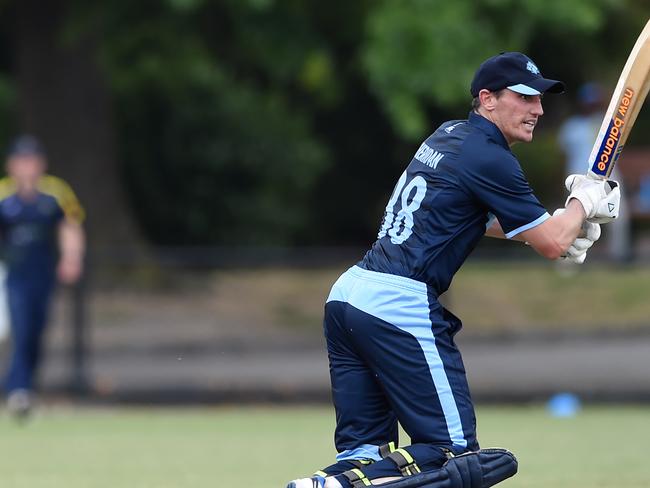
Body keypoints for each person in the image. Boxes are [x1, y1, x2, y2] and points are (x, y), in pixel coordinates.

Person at [287, 52, 620, 488]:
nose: (537, 109)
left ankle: (325, 484)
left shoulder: (450, 135)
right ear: (487, 99)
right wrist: (582, 204)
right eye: (523, 97)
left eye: (539, 100)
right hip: (396, 304)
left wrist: (558, 226)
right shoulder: (491, 157)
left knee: (364, 452)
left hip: (348, 297)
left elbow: (471, 217)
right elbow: (553, 244)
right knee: (456, 457)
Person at [0, 135, 85, 419]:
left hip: (43, 272)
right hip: (13, 274)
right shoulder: (3, 195)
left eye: (32, 160)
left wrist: (71, 258)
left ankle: (25, 387)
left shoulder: (55, 192)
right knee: (21, 327)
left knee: (37, 330)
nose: (27, 167)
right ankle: (18, 389)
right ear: (11, 165)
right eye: (22, 161)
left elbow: (70, 227)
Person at [558, 82, 631, 262]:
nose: (591, 105)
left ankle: (618, 256)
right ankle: (567, 260)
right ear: (581, 103)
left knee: (619, 214)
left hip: (607, 174)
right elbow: (563, 155)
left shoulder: (605, 122)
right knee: (576, 219)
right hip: (579, 176)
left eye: (594, 102)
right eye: (588, 102)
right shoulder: (572, 126)